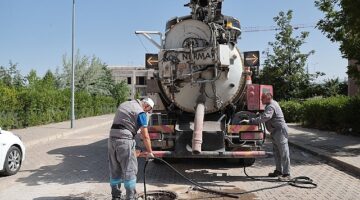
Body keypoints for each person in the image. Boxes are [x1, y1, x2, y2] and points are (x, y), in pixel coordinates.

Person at [108, 98, 155, 200]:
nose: (147, 112)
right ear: (146, 106)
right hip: (125, 140)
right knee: (130, 170)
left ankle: (116, 196)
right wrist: (150, 152)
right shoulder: (140, 112)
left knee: (115, 169)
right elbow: (145, 135)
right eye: (148, 110)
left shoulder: (125, 104)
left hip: (111, 140)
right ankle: (130, 197)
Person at [241, 93, 291, 181]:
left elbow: (265, 117)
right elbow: (266, 115)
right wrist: (259, 114)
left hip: (280, 131)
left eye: (262, 98)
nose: (261, 100)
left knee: (283, 153)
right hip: (276, 131)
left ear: (268, 98)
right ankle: (278, 171)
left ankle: (287, 174)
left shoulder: (271, 106)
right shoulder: (271, 104)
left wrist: (250, 121)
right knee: (277, 152)